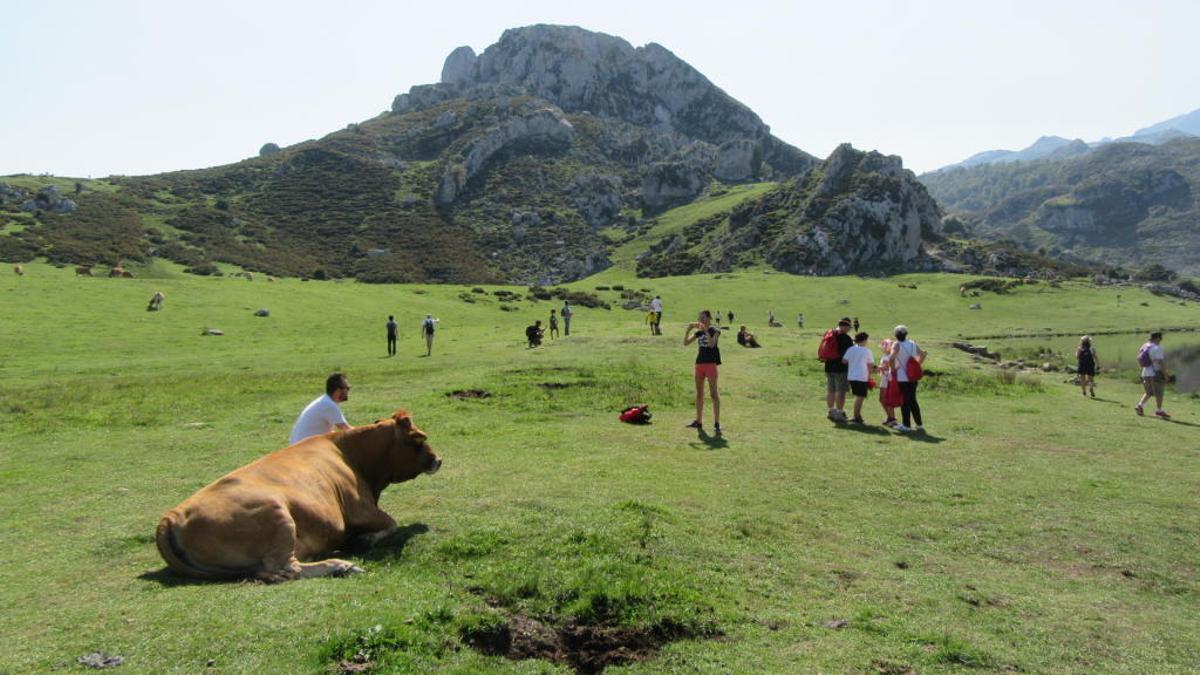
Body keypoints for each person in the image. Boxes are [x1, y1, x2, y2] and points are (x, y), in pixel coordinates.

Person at [683, 310, 721, 433]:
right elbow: (686, 343)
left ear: (709, 318)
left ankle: (716, 423)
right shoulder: (699, 332)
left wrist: (705, 330)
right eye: (700, 318)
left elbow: (711, 344)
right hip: (699, 364)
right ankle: (698, 421)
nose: (701, 320)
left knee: (713, 394)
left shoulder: (714, 330)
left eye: (703, 318)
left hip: (710, 364)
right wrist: (688, 330)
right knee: (699, 394)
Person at [289, 373, 352, 444]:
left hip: (298, 445)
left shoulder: (324, 401)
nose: (348, 391)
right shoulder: (328, 405)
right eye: (347, 388)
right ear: (338, 390)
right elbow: (347, 430)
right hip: (304, 448)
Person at [891, 325, 927, 432]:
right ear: (906, 334)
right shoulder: (912, 343)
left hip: (902, 377)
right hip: (913, 376)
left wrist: (893, 371)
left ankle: (906, 425)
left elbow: (891, 358)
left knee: (905, 401)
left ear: (895, 335)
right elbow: (923, 354)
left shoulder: (896, 344)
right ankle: (919, 424)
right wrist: (917, 365)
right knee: (913, 400)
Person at [823, 318, 855, 421]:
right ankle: (840, 412)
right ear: (844, 327)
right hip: (841, 368)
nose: (849, 330)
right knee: (841, 391)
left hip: (829, 366)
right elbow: (850, 354)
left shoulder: (830, 334)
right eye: (849, 328)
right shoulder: (846, 338)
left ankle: (831, 411)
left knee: (831, 390)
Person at [1135, 331, 1170, 419]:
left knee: (1149, 392)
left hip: (1145, 372)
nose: (1161, 340)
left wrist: (1142, 370)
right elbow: (1160, 362)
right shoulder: (1157, 348)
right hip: (1156, 372)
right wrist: (1165, 374)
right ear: (1158, 338)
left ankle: (1140, 406)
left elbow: (1138, 358)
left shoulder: (1144, 345)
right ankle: (1159, 411)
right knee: (1159, 393)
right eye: (1160, 338)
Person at [843, 332, 874, 424]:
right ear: (864, 340)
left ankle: (858, 416)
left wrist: (853, 361)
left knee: (858, 396)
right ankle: (855, 416)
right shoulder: (867, 351)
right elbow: (871, 365)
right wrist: (869, 376)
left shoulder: (851, 349)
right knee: (860, 397)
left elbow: (844, 361)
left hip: (852, 375)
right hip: (862, 376)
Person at [878, 338, 898, 427]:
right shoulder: (886, 355)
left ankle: (892, 418)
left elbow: (887, 368)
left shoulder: (888, 356)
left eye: (885, 346)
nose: (883, 348)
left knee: (884, 399)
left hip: (887, 379)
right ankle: (890, 417)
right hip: (885, 379)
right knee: (883, 399)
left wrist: (878, 368)